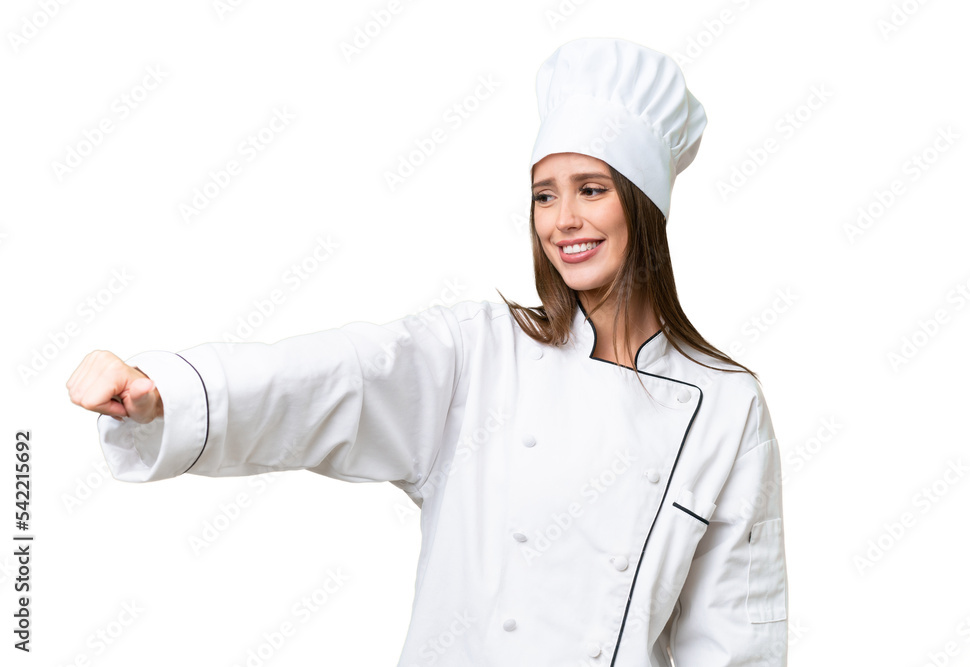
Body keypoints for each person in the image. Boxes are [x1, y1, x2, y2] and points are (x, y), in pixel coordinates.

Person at [67, 37, 788, 666]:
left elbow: (735, 638)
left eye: (591, 189)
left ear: (643, 203)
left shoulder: (726, 405)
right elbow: (337, 377)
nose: (563, 219)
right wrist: (168, 389)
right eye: (543, 195)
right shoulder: (478, 355)